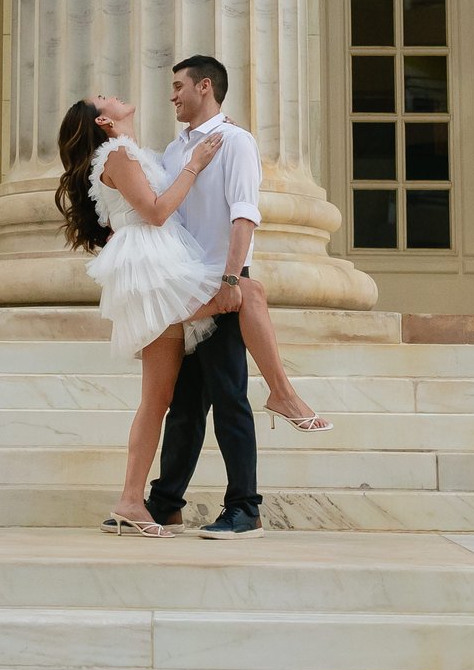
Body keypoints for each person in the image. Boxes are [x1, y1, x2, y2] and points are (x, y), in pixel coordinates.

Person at [142, 56, 332, 541]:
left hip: (222, 283)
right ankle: (165, 504)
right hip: (185, 289)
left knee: (229, 396)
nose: (173, 95)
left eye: (179, 86)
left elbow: (244, 215)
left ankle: (245, 508)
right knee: (185, 404)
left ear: (205, 87)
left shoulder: (236, 142)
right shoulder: (173, 150)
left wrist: (231, 281)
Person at [55, 93, 224, 537]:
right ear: (105, 121)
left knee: (158, 398)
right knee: (240, 296)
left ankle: (133, 498)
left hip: (159, 259)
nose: (113, 95)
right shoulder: (118, 154)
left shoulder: (127, 153)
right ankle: (132, 497)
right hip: (153, 265)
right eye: (102, 99)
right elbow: (154, 211)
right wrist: (195, 165)